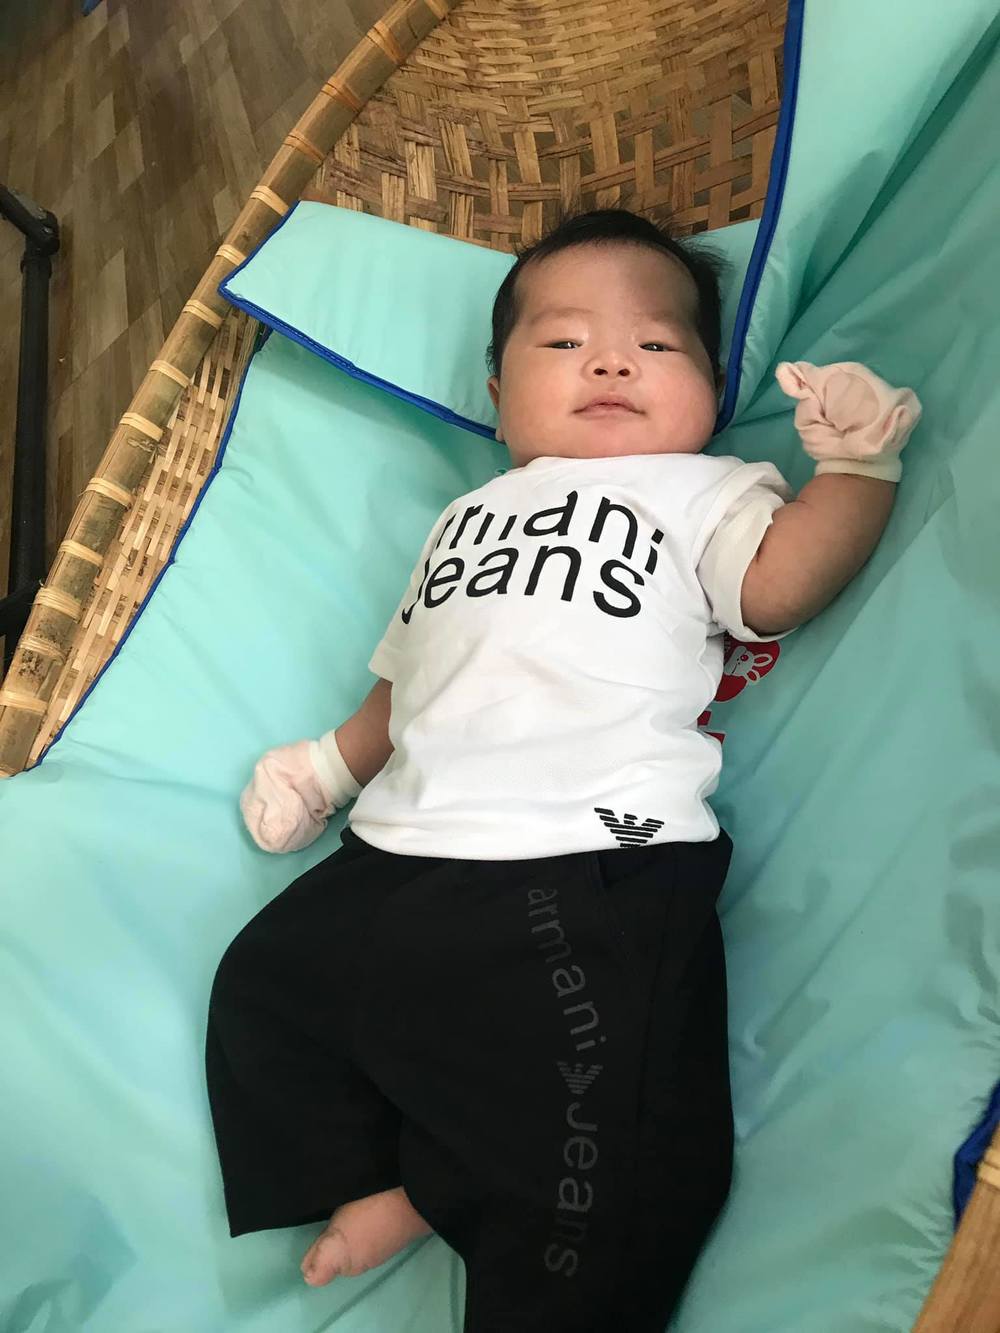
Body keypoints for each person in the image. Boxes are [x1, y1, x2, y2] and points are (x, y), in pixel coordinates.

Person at [205, 208, 920, 1331]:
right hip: (395, 854)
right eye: (563, 341)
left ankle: (469, 1198)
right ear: (498, 395)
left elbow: (778, 585)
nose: (610, 362)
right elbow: (409, 679)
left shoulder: (702, 490)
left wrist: (856, 466)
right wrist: (325, 769)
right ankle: (409, 1176)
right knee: (262, 987)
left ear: (709, 391)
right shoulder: (463, 517)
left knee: (605, 1154)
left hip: (592, 861)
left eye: (656, 344)